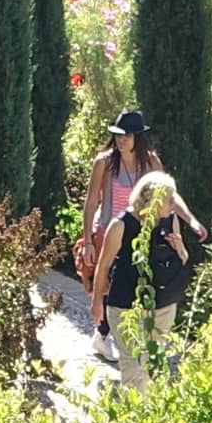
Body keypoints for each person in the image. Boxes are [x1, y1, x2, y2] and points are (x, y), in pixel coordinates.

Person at [97, 169, 205, 382]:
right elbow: (104, 265)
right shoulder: (121, 225)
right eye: (168, 200)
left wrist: (180, 248)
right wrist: (96, 304)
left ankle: (145, 410)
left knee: (152, 361)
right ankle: (136, 410)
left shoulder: (169, 220)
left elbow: (181, 262)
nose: (173, 205)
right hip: (126, 305)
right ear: (151, 200)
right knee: (131, 362)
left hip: (163, 305)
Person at [77, 108, 153, 296]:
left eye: (126, 135)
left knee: (132, 293)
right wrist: (88, 242)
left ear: (137, 137)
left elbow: (165, 199)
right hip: (108, 233)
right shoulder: (105, 162)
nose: (121, 140)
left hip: (137, 238)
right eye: (118, 135)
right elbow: (91, 201)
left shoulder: (151, 163)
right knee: (102, 291)